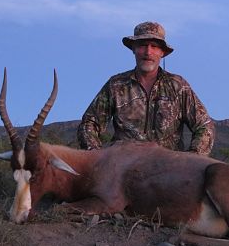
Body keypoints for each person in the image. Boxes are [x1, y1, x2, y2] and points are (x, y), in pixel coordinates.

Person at [77, 21, 215, 155]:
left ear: (162, 52)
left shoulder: (178, 86)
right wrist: (98, 156)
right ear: (134, 49)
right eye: (142, 45)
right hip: (124, 166)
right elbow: (89, 123)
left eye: (154, 46)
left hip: (169, 168)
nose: (148, 52)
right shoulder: (116, 85)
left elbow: (205, 126)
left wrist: (192, 158)